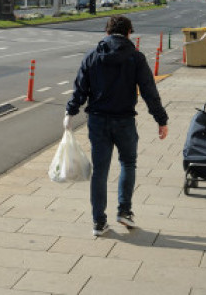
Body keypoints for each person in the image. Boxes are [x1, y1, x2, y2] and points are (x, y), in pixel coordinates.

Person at [65, 15, 169, 236]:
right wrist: (161, 119)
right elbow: (150, 91)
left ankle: (98, 222)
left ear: (107, 32)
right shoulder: (136, 58)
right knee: (128, 164)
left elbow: (80, 88)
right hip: (124, 120)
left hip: (97, 120)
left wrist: (70, 111)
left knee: (100, 170)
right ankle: (124, 211)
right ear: (129, 32)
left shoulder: (92, 56)